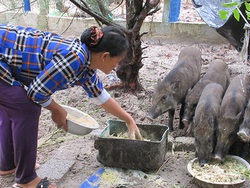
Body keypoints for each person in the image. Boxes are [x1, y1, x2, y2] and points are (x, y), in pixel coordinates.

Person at [0, 24, 143, 188]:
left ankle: (8, 164)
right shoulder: (74, 58)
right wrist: (57, 110)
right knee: (26, 108)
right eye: (116, 61)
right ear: (105, 56)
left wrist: (128, 119)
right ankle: (26, 181)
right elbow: (36, 92)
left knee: (12, 104)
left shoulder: (86, 65)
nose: (116, 68)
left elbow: (101, 96)